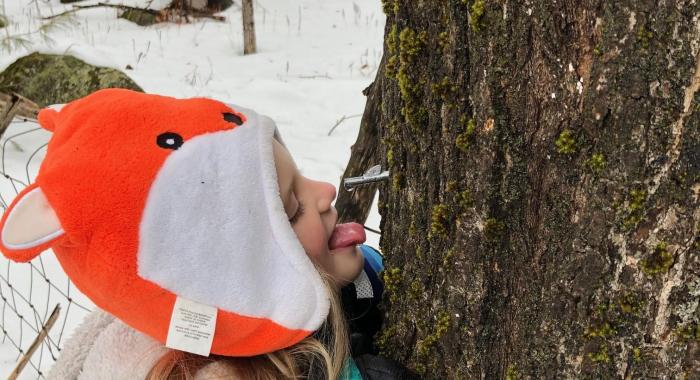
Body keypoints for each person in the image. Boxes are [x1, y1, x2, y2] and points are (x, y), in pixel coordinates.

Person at [0, 89, 419, 379]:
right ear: (237, 285)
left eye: (302, 178)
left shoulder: (354, 286)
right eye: (293, 209)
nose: (326, 192)